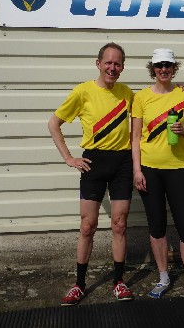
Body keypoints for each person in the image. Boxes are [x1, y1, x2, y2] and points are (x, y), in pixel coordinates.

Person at [48, 42, 135, 306]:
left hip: (122, 163)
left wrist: (182, 90)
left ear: (122, 67)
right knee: (88, 226)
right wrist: (68, 158)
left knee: (119, 224)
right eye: (108, 62)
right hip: (93, 161)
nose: (112, 67)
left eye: (117, 63)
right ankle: (79, 285)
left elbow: (155, 105)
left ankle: (119, 282)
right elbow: (54, 124)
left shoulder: (128, 94)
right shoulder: (83, 91)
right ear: (98, 64)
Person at [131, 48, 184, 299]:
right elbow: (135, 137)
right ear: (153, 68)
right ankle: (163, 278)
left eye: (168, 66)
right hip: (150, 169)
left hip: (178, 169)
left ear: (174, 69)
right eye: (159, 65)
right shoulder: (141, 98)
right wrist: (137, 170)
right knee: (157, 225)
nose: (163, 69)